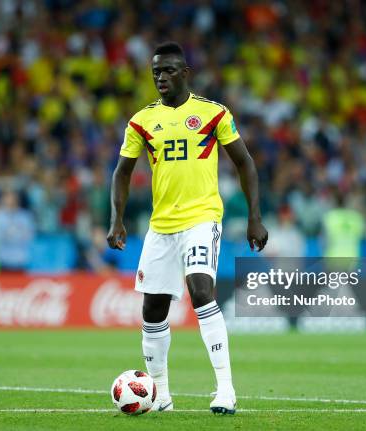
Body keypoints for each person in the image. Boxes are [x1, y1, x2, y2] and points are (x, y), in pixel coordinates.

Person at [107, 42, 268, 414]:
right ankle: (161, 395)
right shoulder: (141, 121)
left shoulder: (213, 113)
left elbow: (245, 163)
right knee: (153, 308)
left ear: (184, 72)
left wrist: (254, 216)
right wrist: (116, 219)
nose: (160, 77)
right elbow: (122, 172)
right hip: (161, 226)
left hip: (201, 218)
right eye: (155, 72)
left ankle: (225, 389)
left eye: (167, 71)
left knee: (200, 290)